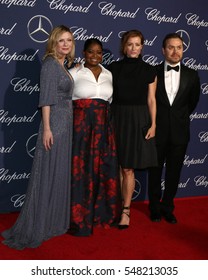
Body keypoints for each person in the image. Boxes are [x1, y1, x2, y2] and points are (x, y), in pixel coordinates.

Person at [1, 25, 75, 249]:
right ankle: (39, 224)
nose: (65, 44)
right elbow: (45, 99)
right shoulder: (50, 65)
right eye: (61, 40)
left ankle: (53, 221)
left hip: (66, 124)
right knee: (47, 172)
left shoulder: (63, 65)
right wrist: (47, 129)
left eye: (69, 40)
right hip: (55, 125)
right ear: (53, 42)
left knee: (57, 172)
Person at [67, 38, 122, 237]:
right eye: (91, 52)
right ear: (83, 52)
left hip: (103, 129)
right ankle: (78, 218)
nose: (95, 56)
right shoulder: (73, 73)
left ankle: (102, 215)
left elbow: (109, 102)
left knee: (103, 169)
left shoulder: (109, 74)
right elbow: (64, 101)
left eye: (99, 52)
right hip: (80, 130)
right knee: (81, 172)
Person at [148, 33, 200, 224]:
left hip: (179, 133)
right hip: (156, 131)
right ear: (163, 50)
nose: (175, 51)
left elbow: (191, 103)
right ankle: (154, 207)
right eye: (171, 47)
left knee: (174, 172)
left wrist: (177, 119)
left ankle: (167, 207)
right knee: (154, 172)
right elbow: (149, 102)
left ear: (183, 50)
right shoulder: (152, 72)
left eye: (179, 47)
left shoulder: (192, 75)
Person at [108, 30, 158, 229]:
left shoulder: (149, 70)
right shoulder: (112, 69)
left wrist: (153, 124)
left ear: (142, 47)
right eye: (130, 44)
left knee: (128, 167)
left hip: (138, 120)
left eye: (137, 44)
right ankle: (116, 207)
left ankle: (126, 211)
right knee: (118, 166)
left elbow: (152, 100)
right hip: (116, 118)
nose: (134, 48)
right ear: (124, 46)